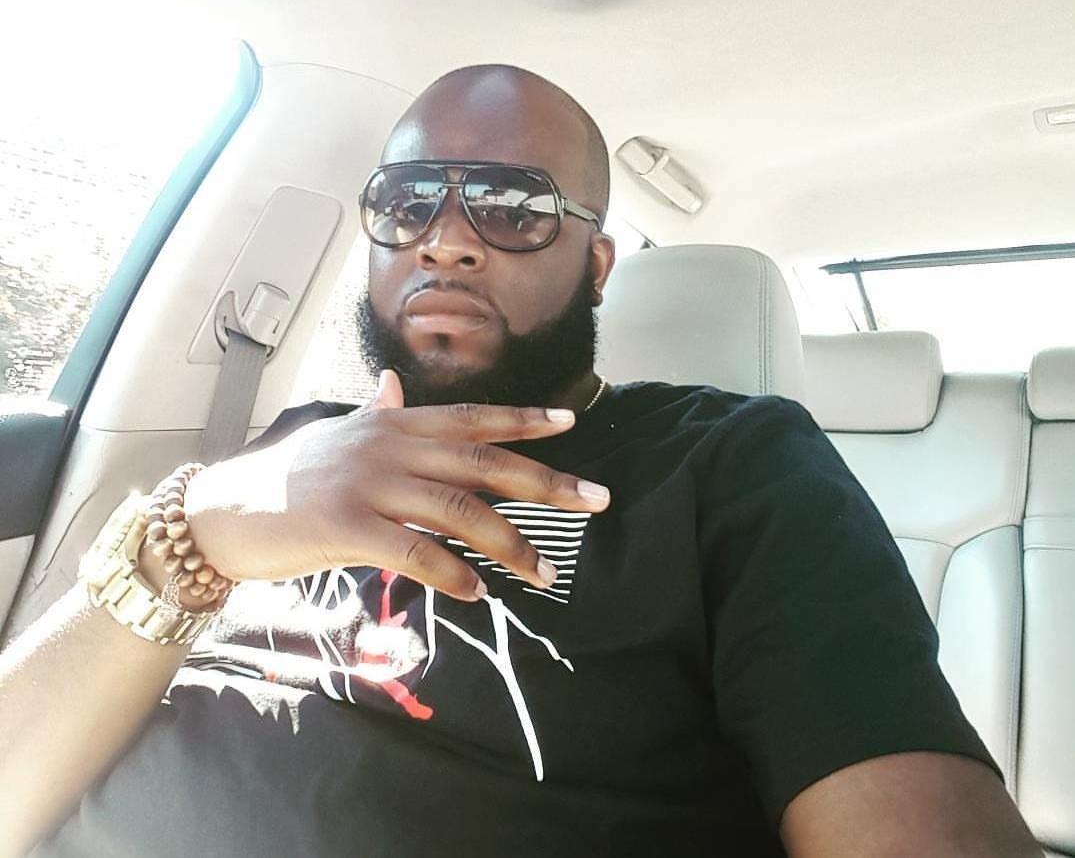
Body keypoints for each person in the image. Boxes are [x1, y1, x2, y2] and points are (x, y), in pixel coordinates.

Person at [0, 66, 1042, 857]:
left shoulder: (733, 465)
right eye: (407, 200)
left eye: (513, 206)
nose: (445, 239)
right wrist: (202, 526)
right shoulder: (287, 444)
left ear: (596, 264)